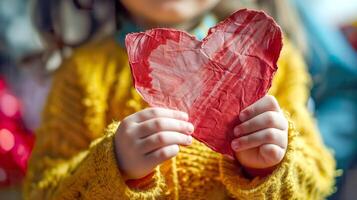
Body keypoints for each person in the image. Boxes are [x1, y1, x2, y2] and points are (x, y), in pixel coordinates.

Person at [24, 0, 336, 199]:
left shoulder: (272, 61)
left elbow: (316, 182)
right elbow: (42, 190)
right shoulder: (81, 74)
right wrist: (114, 164)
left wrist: (271, 165)